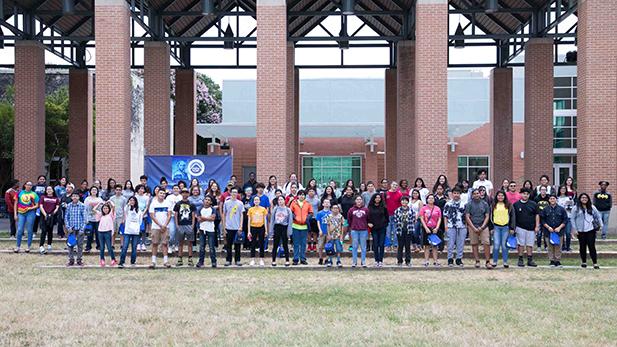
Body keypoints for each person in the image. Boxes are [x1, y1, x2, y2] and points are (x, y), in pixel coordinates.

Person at [571, 193, 602, 269]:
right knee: (582, 247)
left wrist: (601, 225)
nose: (584, 199)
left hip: (591, 229)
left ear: (588, 199)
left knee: (592, 246)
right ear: (580, 199)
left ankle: (595, 263)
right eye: (582, 198)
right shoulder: (576, 208)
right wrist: (575, 229)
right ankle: (584, 262)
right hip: (580, 230)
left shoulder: (592, 207)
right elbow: (572, 219)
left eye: (586, 198)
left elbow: (598, 216)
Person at [464, 189, 491, 268]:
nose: (476, 195)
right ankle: (477, 261)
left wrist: (482, 227)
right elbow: (467, 217)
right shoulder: (469, 204)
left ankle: (487, 261)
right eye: (474, 194)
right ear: (472, 195)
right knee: (474, 244)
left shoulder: (485, 204)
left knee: (486, 243)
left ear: (480, 194)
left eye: (477, 193)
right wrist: (473, 228)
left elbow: (487, 216)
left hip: (483, 226)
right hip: (473, 226)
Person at [513, 188, 540, 267]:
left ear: (529, 195)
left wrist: (537, 226)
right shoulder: (516, 204)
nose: (525, 195)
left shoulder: (534, 204)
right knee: (520, 244)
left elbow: (537, 215)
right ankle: (520, 259)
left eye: (527, 194)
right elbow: (514, 217)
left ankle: (530, 259)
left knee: (530, 244)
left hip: (531, 228)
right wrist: (513, 227)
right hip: (520, 227)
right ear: (521, 194)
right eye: (524, 194)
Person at [540, 194, 568, 268]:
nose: (552, 200)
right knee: (550, 246)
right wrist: (548, 227)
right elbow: (542, 220)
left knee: (558, 246)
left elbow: (565, 220)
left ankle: (557, 261)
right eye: (551, 199)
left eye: (554, 198)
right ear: (549, 200)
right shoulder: (545, 209)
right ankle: (552, 261)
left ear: (556, 200)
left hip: (559, 231)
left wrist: (559, 227)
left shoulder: (561, 209)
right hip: (548, 231)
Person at [491, 190, 515, 268]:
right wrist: (491, 227)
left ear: (504, 197)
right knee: (496, 245)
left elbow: (512, 217)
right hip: (496, 227)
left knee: (505, 246)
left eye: (502, 195)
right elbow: (490, 217)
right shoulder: (493, 205)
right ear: (496, 197)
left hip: (505, 227)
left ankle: (505, 261)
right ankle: (494, 261)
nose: (500, 197)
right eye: (499, 195)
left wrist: (512, 227)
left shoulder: (509, 205)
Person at [148, 188, 172, 269]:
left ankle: (166, 261)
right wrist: (160, 225)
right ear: (157, 194)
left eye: (163, 193)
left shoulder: (167, 203)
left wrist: (164, 225)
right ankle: (153, 261)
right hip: (155, 227)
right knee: (155, 243)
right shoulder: (153, 203)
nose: (162, 195)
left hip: (165, 227)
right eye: (161, 193)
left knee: (165, 244)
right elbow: (152, 215)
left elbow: (169, 215)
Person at [443, 187, 467, 267]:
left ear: (460, 194)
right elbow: (445, 216)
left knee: (460, 243)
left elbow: (466, 216)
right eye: (455, 193)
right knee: (450, 243)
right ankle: (450, 259)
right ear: (452, 194)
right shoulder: (448, 204)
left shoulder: (464, 204)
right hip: (451, 226)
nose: (456, 195)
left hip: (462, 226)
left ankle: (459, 259)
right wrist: (446, 226)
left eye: (458, 193)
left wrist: (466, 226)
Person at [13, 182, 39, 253]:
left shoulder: (34, 194)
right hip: (21, 213)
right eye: (28, 184)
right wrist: (15, 214)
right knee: (20, 229)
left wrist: (30, 208)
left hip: (30, 213)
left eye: (31, 185)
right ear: (25, 185)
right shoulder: (19, 193)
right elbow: (15, 204)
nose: (29, 186)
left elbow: (37, 205)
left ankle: (28, 247)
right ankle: (18, 247)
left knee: (30, 230)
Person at [222, 187, 245, 266]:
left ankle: (237, 260)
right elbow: (224, 214)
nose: (234, 194)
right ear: (230, 193)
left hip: (237, 227)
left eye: (236, 192)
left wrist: (241, 226)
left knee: (237, 245)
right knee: (228, 245)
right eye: (233, 192)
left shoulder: (240, 203)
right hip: (229, 227)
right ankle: (228, 260)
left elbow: (242, 215)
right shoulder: (226, 203)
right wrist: (224, 226)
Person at [290, 190, 313, 265]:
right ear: (297, 196)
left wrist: (307, 218)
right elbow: (291, 212)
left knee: (303, 243)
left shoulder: (307, 204)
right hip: (295, 226)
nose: (301, 196)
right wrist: (295, 217)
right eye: (300, 195)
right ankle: (295, 259)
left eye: (303, 195)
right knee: (296, 243)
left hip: (304, 226)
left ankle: (303, 259)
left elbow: (311, 212)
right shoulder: (293, 203)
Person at [174, 188, 196, 266]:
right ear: (181, 194)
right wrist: (177, 225)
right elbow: (176, 215)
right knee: (180, 242)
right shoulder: (178, 204)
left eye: (186, 192)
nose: (185, 194)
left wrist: (192, 225)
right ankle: (180, 258)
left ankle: (190, 258)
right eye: (183, 192)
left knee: (190, 243)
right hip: (180, 225)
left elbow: (193, 215)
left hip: (189, 224)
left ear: (188, 194)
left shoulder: (191, 204)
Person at [118, 196, 143, 268]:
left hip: (135, 231)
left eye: (133, 200)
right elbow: (125, 209)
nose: (132, 202)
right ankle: (121, 262)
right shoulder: (127, 209)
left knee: (134, 247)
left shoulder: (139, 210)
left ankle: (133, 262)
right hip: (128, 231)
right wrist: (128, 204)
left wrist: (138, 228)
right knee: (125, 246)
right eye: (130, 200)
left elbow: (140, 221)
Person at [64, 192, 87, 266]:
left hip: (80, 228)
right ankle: (71, 260)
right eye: (73, 196)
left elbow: (85, 218)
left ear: (79, 197)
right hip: (71, 229)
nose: (75, 198)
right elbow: (66, 217)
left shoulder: (82, 206)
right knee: (70, 245)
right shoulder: (69, 206)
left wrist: (82, 229)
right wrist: (68, 227)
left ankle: (79, 260)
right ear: (71, 197)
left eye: (76, 196)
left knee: (80, 245)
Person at [269, 196, 293, 266]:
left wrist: (289, 232)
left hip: (284, 227)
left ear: (284, 200)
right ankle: (273, 260)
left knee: (285, 244)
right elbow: (272, 220)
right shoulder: (275, 209)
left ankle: (287, 260)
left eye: (281, 199)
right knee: (275, 244)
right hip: (277, 227)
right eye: (279, 200)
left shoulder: (288, 210)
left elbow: (290, 221)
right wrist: (271, 230)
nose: (280, 201)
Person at [419, 194, 442, 267]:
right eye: (429, 198)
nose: (431, 199)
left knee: (435, 245)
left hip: (435, 228)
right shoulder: (424, 208)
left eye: (432, 198)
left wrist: (437, 228)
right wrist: (425, 228)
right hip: (426, 228)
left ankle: (435, 261)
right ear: (427, 199)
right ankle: (426, 260)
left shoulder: (437, 208)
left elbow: (439, 218)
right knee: (427, 246)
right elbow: (421, 218)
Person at [393, 195, 415, 267]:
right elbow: (395, 220)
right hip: (400, 230)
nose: (404, 202)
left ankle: (408, 261)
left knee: (408, 246)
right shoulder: (397, 210)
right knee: (400, 246)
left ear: (408, 202)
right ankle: (399, 261)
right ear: (401, 202)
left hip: (409, 230)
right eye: (402, 200)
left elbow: (413, 220)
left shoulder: (411, 210)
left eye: (405, 200)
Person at [347, 196, 369, 268]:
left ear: (362, 201)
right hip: (354, 230)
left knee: (363, 247)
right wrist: (352, 226)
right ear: (355, 201)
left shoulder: (366, 209)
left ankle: (363, 261)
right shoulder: (351, 210)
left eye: (360, 199)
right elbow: (349, 219)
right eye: (357, 199)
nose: (359, 201)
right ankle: (354, 261)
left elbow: (368, 219)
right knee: (354, 246)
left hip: (363, 230)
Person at [367, 193, 388, 267]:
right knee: (375, 244)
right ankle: (376, 260)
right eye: (376, 198)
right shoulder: (370, 207)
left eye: (379, 198)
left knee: (381, 244)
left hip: (382, 228)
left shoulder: (384, 207)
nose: (378, 199)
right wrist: (368, 223)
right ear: (374, 198)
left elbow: (387, 218)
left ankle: (380, 260)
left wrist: (385, 225)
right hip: (374, 228)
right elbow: (367, 217)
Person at [196, 196, 218, 268]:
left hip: (211, 230)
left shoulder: (213, 209)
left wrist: (203, 217)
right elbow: (199, 219)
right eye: (206, 199)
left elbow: (213, 218)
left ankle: (214, 262)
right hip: (202, 229)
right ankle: (201, 262)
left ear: (211, 202)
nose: (207, 201)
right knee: (202, 247)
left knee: (211, 247)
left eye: (209, 200)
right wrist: (208, 218)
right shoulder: (200, 209)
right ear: (203, 201)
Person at [247, 195, 268, 267]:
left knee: (261, 243)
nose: (256, 201)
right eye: (255, 200)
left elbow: (265, 220)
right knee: (253, 244)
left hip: (261, 227)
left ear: (260, 201)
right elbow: (249, 220)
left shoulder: (263, 209)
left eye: (257, 200)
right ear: (253, 201)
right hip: (253, 227)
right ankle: (252, 259)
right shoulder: (250, 210)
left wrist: (266, 230)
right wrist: (249, 231)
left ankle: (261, 259)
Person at [38, 186, 60, 254]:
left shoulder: (56, 199)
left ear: (53, 190)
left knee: (50, 231)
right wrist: (46, 215)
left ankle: (49, 244)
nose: (49, 190)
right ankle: (41, 246)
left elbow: (57, 207)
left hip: (52, 216)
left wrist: (52, 214)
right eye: (47, 189)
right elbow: (41, 206)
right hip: (44, 216)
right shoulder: (43, 197)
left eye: (50, 189)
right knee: (44, 231)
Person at [96, 201, 117, 266]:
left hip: (108, 232)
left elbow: (113, 207)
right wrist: (99, 204)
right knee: (102, 247)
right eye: (104, 208)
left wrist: (110, 202)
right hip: (100, 232)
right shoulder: (101, 215)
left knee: (109, 247)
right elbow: (94, 209)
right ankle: (102, 259)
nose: (105, 210)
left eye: (107, 208)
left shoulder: (111, 215)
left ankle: (113, 259)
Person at [384, 181, 402, 251]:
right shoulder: (386, 193)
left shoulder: (399, 194)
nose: (395, 186)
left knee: (395, 231)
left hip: (396, 215)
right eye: (393, 185)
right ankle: (388, 245)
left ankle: (395, 245)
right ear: (391, 185)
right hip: (388, 214)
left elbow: (401, 204)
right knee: (388, 231)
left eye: (396, 185)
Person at [108, 184, 127, 249]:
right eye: (117, 190)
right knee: (113, 231)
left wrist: (124, 218)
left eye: (119, 190)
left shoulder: (124, 199)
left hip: (120, 216)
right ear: (114, 190)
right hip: (113, 217)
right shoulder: (111, 198)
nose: (118, 191)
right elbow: (110, 208)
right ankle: (112, 244)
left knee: (121, 231)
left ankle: (122, 244)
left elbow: (125, 209)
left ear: (121, 191)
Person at [165, 185, 182, 254]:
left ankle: (176, 245)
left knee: (178, 232)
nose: (175, 189)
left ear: (179, 189)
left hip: (179, 217)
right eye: (174, 188)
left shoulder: (181, 197)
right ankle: (170, 245)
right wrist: (172, 212)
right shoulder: (169, 197)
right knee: (172, 232)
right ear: (172, 190)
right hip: (171, 217)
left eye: (177, 188)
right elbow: (167, 207)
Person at [557, 185, 575, 252]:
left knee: (568, 233)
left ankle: (568, 246)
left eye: (564, 189)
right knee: (561, 233)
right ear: (559, 190)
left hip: (568, 217)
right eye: (561, 188)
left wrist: (566, 207)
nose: (563, 190)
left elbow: (571, 208)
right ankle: (563, 246)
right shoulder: (557, 198)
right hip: (559, 218)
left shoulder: (569, 198)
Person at [315, 198, 332, 265]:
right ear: (323, 204)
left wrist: (330, 233)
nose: (327, 203)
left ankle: (327, 259)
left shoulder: (331, 213)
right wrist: (320, 230)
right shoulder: (320, 213)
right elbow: (318, 222)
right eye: (325, 202)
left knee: (328, 246)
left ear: (330, 204)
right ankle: (320, 258)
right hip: (322, 231)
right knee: (320, 246)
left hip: (329, 232)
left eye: (328, 202)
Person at [534, 185, 551, 250]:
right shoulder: (536, 198)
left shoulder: (549, 198)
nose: (543, 191)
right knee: (539, 233)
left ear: (546, 191)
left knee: (546, 233)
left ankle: (546, 246)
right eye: (542, 190)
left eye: (544, 190)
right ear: (540, 191)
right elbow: (535, 209)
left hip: (547, 218)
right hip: (539, 218)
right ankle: (539, 246)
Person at [306, 188, 321, 253]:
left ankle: (314, 245)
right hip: (308, 217)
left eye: (312, 191)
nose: (311, 192)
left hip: (315, 217)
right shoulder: (305, 200)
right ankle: (309, 245)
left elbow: (319, 207)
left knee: (315, 232)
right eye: (310, 191)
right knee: (309, 232)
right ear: (308, 193)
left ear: (314, 192)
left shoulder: (317, 200)